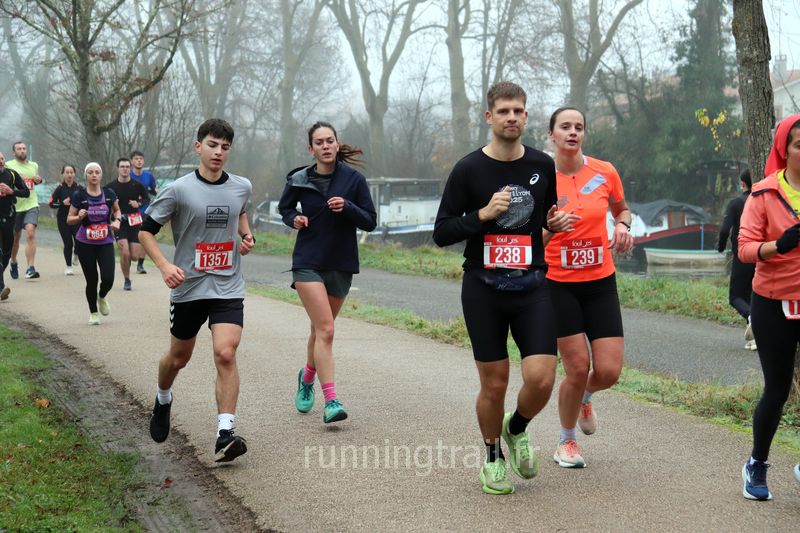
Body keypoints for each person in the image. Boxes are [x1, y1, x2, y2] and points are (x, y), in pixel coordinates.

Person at [432, 82, 574, 495]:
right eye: (504, 111)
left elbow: (543, 218)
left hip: (532, 285)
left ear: (526, 117)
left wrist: (552, 224)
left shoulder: (542, 164)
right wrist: (481, 215)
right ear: (489, 117)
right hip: (484, 288)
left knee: (542, 378)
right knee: (494, 384)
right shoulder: (468, 169)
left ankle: (517, 428)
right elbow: (442, 232)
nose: (512, 117)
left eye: (518, 111)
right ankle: (493, 458)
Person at [139, 119, 254, 463]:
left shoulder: (241, 186)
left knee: (226, 353)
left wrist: (246, 236)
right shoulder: (179, 189)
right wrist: (164, 265)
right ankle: (163, 398)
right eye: (212, 145)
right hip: (188, 287)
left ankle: (225, 434)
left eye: (225, 147)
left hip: (227, 284)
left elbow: (240, 212)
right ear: (198, 146)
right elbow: (145, 231)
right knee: (178, 358)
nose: (218, 152)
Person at [543, 107, 633, 469]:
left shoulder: (604, 171)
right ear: (551, 134)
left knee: (608, 371)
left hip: (600, 282)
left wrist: (623, 226)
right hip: (558, 283)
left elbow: (622, 209)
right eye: (565, 127)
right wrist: (550, 228)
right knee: (577, 367)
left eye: (578, 127)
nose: (572, 132)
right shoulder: (540, 178)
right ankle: (566, 441)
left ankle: (585, 396)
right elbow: (528, 236)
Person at [278, 121, 377, 425]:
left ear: (337, 144)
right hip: (307, 261)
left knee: (320, 330)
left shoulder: (353, 180)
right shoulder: (298, 179)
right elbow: (285, 209)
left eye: (329, 140)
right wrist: (294, 219)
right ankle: (331, 401)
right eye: (319, 142)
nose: (325, 146)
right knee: (327, 330)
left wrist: (347, 206)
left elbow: (370, 221)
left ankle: (307, 376)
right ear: (311, 148)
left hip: (341, 262)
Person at [738, 113, 800, 501]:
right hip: (774, 303)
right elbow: (744, 249)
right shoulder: (763, 194)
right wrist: (779, 245)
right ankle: (757, 464)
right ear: (785, 149)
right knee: (777, 390)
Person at [67, 163, 121, 324]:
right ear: (86, 176)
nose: (94, 175)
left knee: (108, 278)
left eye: (97, 172)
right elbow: (69, 219)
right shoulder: (79, 195)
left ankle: (102, 296)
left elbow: (117, 210)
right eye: (90, 172)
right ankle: (93, 313)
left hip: (105, 241)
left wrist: (117, 221)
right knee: (92, 280)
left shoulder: (109, 194)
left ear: (101, 175)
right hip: (85, 243)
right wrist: (79, 217)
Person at [718, 169, 757, 350]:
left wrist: (720, 247)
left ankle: (753, 318)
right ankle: (755, 339)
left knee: (735, 297)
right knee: (752, 295)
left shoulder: (736, 203)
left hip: (742, 255)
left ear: (742, 183)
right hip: (762, 253)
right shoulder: (761, 200)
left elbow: (724, 230)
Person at [106, 158, 149, 291]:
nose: (125, 169)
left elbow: (147, 199)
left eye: (127, 167)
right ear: (117, 168)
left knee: (134, 256)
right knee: (125, 252)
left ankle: (128, 262)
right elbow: (104, 203)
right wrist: (111, 207)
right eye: (122, 166)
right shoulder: (110, 187)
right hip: (119, 222)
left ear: (130, 168)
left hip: (134, 221)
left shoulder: (137, 185)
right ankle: (127, 279)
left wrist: (138, 203)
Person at [6, 142, 42, 280]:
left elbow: (35, 181)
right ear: (13, 152)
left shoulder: (34, 165)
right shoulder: (8, 165)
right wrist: (15, 178)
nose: (22, 151)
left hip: (31, 203)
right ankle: (13, 261)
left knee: (31, 233)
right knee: (15, 238)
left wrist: (38, 180)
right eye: (19, 149)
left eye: (24, 148)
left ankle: (30, 268)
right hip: (15, 206)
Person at [0, 152, 30, 300]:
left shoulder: (11, 174)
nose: (0, 161)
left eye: (1, 158)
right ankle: (1, 288)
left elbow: (26, 192)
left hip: (9, 217)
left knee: (6, 252)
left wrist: (12, 191)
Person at [49, 164, 81, 275]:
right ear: (63, 174)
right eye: (67, 172)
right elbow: (51, 204)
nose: (69, 175)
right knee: (68, 243)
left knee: (79, 241)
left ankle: (76, 254)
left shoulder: (79, 188)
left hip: (77, 219)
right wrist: (62, 203)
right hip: (63, 220)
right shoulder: (59, 189)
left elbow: (85, 202)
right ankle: (68, 267)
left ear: (74, 174)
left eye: (71, 172)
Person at [130, 150, 156, 274]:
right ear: (132, 161)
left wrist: (155, 193)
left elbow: (154, 190)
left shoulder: (148, 175)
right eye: (136, 159)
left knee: (145, 235)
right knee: (133, 238)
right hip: (131, 211)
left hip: (145, 210)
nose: (139, 161)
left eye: (141, 158)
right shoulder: (128, 175)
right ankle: (130, 257)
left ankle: (140, 265)